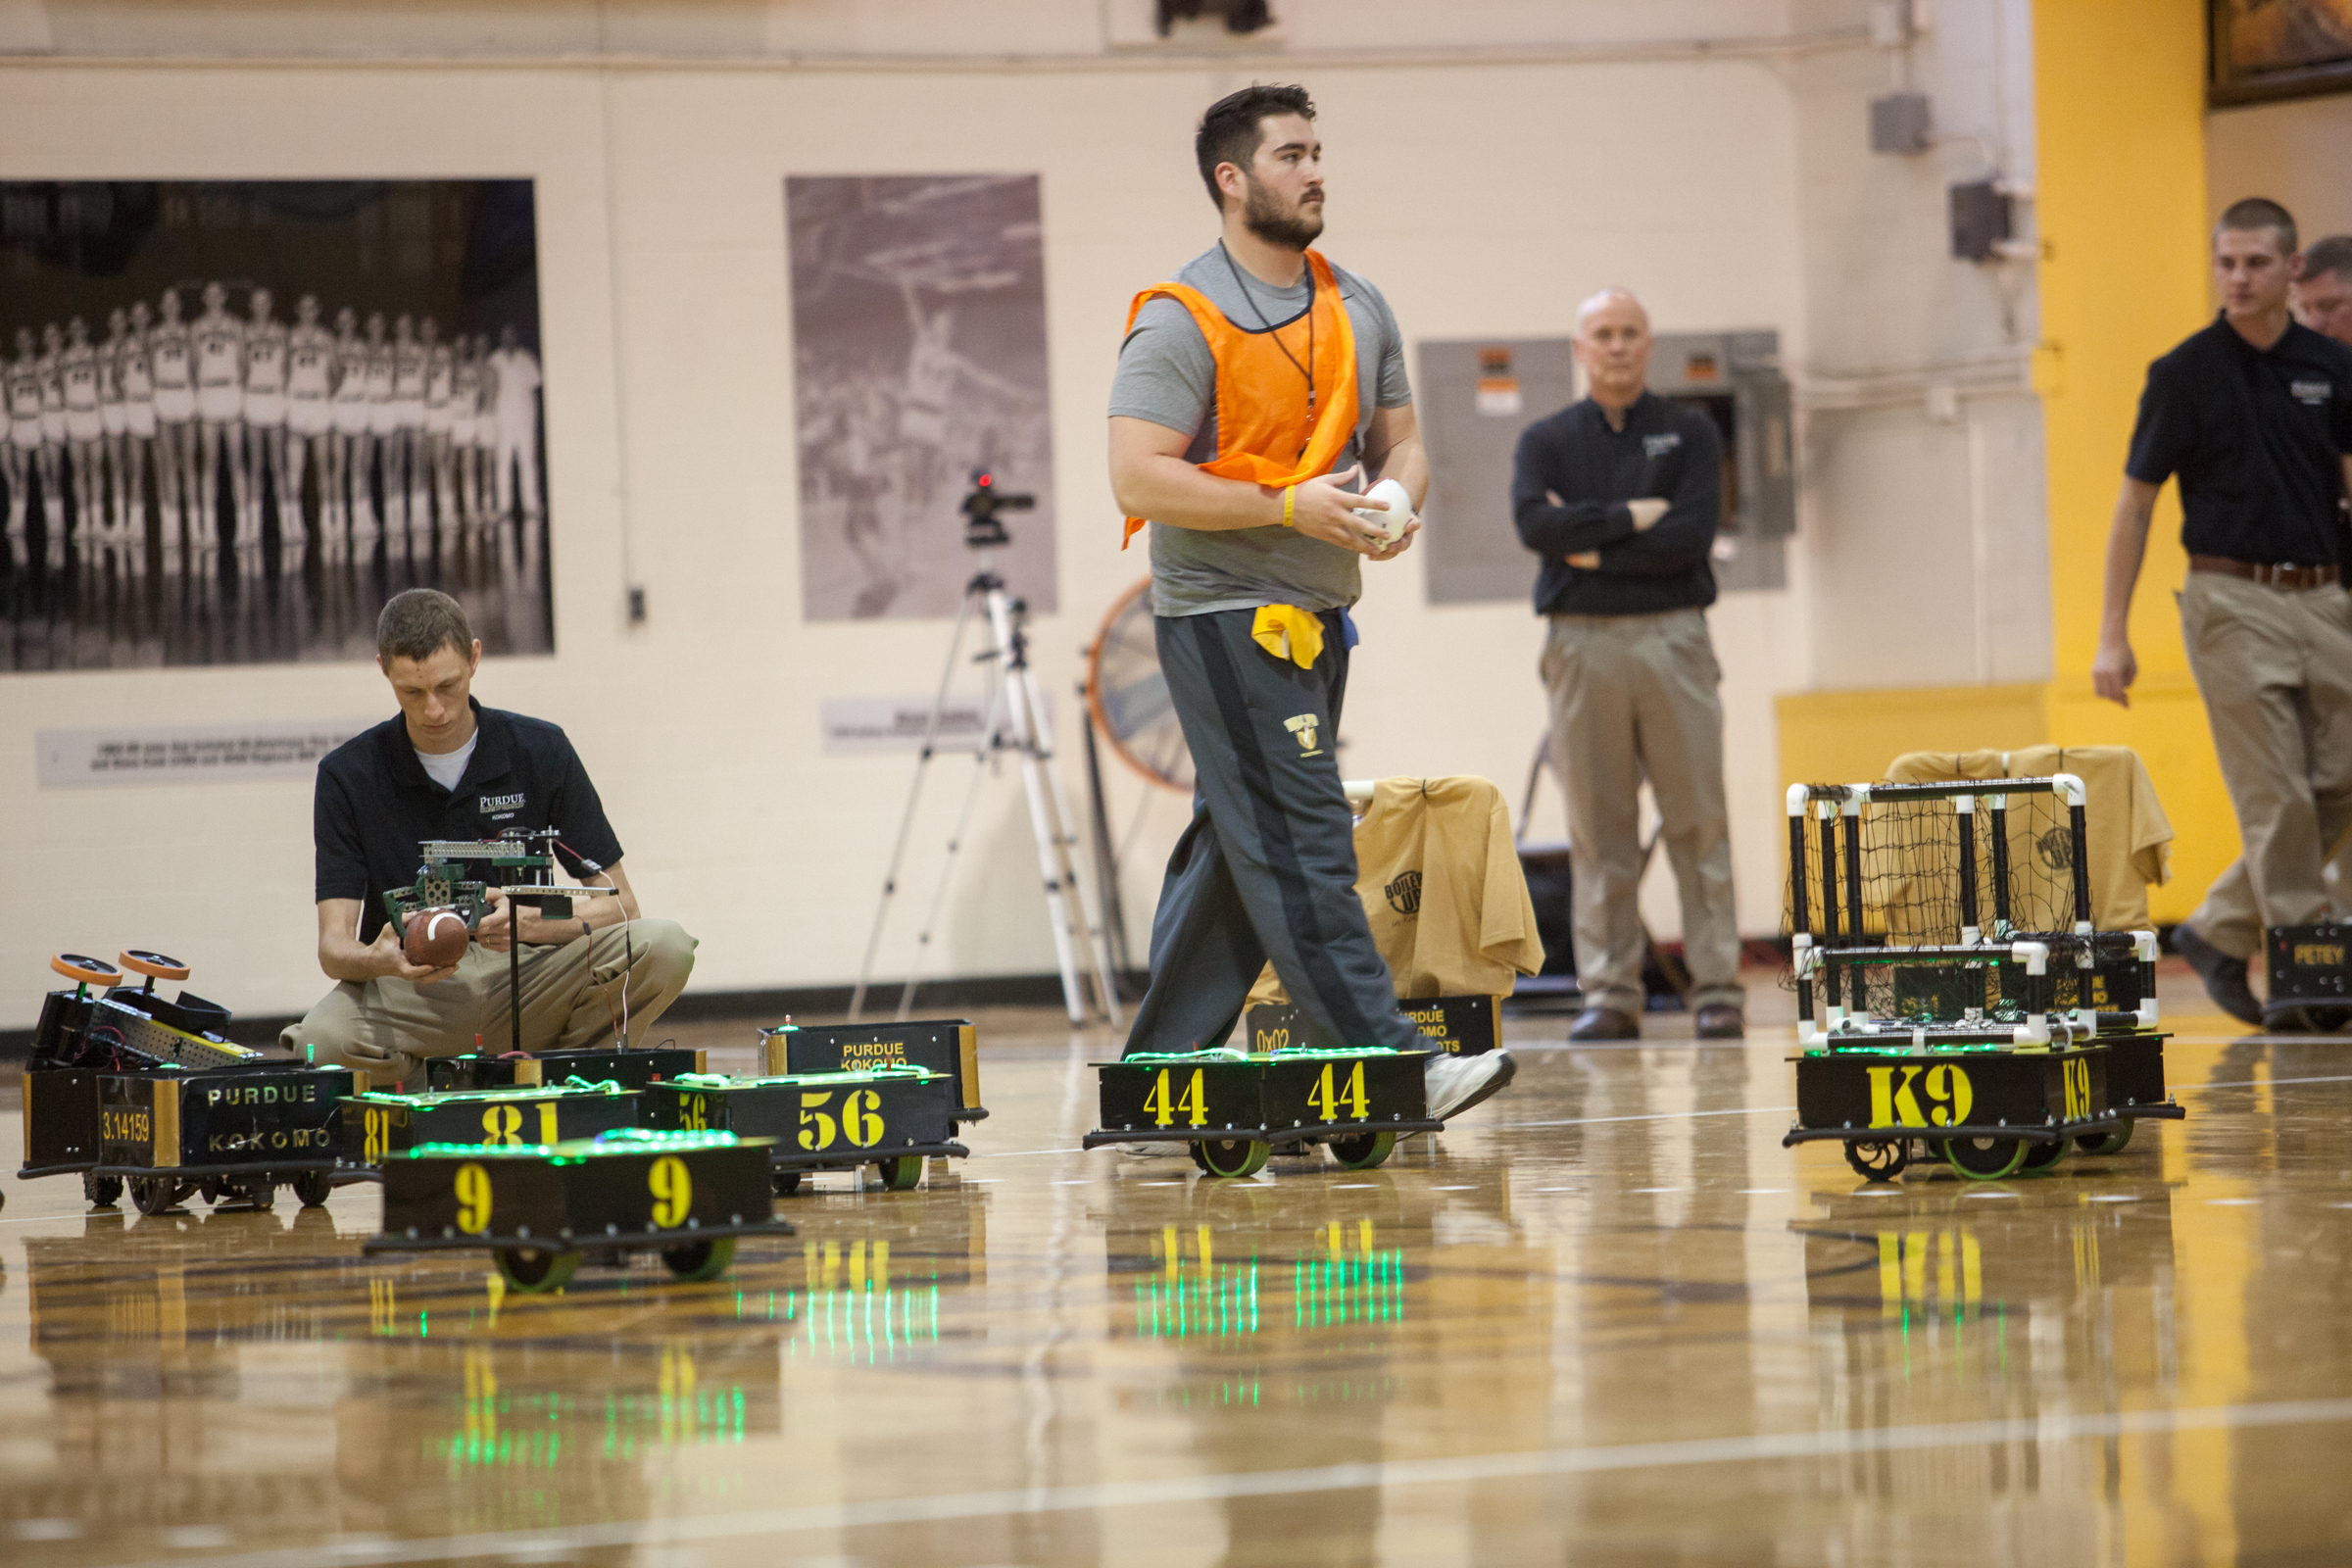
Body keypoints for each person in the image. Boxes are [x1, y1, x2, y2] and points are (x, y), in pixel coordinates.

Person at [1106, 83, 1513, 1121]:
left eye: (1319, 151)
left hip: (1324, 615)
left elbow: (1406, 445)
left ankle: (1153, 1085)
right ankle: (1392, 1062)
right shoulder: (1179, 319)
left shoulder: (1357, 302)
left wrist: (1390, 501)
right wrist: (1287, 504)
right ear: (1231, 180)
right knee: (1302, 835)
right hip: (1223, 618)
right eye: (1291, 155)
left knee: (1242, 843)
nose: (1316, 170)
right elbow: (1138, 480)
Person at [2094, 198, 2352, 1030]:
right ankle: (2308, 971)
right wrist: (2112, 635)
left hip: (2323, 595)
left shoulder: (2330, 366)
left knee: (2340, 779)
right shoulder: (2183, 374)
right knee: (2276, 794)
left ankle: (2217, 928)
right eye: (2225, 263)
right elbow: (2133, 508)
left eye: (2254, 264)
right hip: (2228, 599)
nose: (2237, 279)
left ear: (2290, 273)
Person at [285, 588, 698, 1084]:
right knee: (320, 1042)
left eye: (448, 686)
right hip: (412, 993)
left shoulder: (540, 749)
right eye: (412, 693)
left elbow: (621, 906)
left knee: (666, 946)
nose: (433, 709)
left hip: (530, 975)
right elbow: (333, 948)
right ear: (383, 670)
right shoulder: (347, 775)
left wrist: (530, 926)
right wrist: (380, 959)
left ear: (475, 658)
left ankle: (566, 1077)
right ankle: (430, 1095)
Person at [1512, 290, 1744, 1043]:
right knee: (1597, 830)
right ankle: (1610, 993)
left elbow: (1689, 536)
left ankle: (1718, 989)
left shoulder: (1690, 434)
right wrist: (1636, 516)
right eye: (1601, 335)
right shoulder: (1545, 440)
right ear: (1579, 348)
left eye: (1629, 334)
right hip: (1580, 644)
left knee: (1698, 822)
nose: (1616, 346)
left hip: (1674, 639)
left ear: (1649, 345)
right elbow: (1533, 525)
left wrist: (1588, 540)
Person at [191, 280, 249, 573]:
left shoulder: (237, 326)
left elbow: (245, 363)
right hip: (208, 393)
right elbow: (191, 365)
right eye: (209, 294)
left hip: (231, 391)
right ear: (205, 298)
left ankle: (243, 527)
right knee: (209, 463)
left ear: (225, 297)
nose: (214, 298)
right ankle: (209, 529)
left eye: (219, 294)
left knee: (238, 461)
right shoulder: (197, 328)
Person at [240, 287, 293, 572]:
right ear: (251, 305)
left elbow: (285, 368)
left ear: (270, 305)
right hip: (254, 397)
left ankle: (288, 525)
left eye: (265, 302)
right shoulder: (244, 333)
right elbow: (240, 367)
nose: (261, 307)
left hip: (273, 397)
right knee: (255, 465)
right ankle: (251, 526)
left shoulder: (281, 332)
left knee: (278, 463)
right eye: (256, 302)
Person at [148, 289, 199, 574]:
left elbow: (194, 365)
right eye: (165, 303)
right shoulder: (154, 335)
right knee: (168, 464)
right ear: (162, 307)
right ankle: (171, 526)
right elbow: (151, 371)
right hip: (164, 396)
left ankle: (193, 526)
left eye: (173, 302)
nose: (169, 307)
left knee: (189, 463)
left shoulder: (189, 332)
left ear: (179, 306)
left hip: (184, 395)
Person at [283, 294, 335, 560]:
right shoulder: (288, 337)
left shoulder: (326, 339)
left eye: (311, 308)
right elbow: (281, 371)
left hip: (318, 403)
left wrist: (322, 390)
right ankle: (293, 523)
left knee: (323, 464)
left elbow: (336, 373)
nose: (307, 312)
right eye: (302, 308)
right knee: (294, 468)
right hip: (297, 403)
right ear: (297, 311)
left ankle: (327, 522)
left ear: (317, 311)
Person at [488, 324, 544, 530]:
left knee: (528, 463)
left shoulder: (527, 359)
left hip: (525, 422)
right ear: (501, 337)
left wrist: (534, 420)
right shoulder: (493, 361)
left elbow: (536, 388)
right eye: (505, 335)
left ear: (516, 336)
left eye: (512, 334)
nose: (508, 338)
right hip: (502, 422)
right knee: (503, 465)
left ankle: (532, 505)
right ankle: (504, 508)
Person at [59, 317, 104, 564]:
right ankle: (83, 520)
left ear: (86, 330)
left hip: (92, 412)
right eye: (73, 328)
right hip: (75, 413)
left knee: (96, 468)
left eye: (80, 327)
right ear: (70, 332)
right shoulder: (64, 358)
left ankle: (97, 520)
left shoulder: (95, 353)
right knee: (78, 470)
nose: (77, 332)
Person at [330, 306, 373, 551]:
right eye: (342, 321)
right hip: (339, 406)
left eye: (350, 320)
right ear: (337, 323)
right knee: (339, 466)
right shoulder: (332, 346)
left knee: (360, 466)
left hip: (358, 404)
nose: (346, 325)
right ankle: (337, 520)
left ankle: (360, 517)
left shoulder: (362, 347)